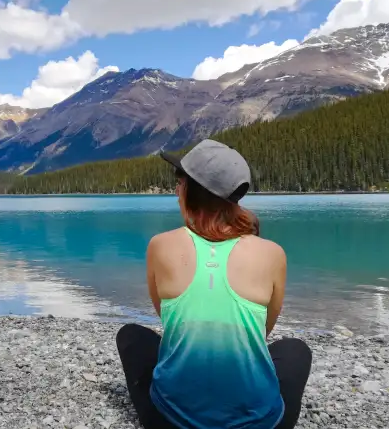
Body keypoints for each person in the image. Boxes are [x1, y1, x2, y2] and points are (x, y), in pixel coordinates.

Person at [115, 140, 312, 429]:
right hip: (259, 425)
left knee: (130, 336)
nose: (175, 189)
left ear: (190, 190)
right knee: (295, 350)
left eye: (178, 181)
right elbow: (264, 330)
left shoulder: (160, 245)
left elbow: (169, 321)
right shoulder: (272, 253)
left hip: (171, 423)